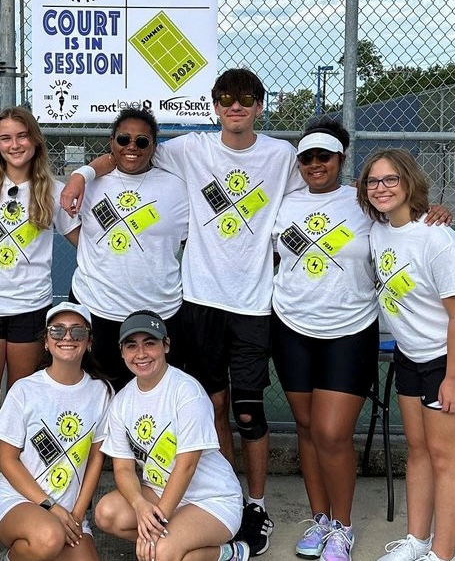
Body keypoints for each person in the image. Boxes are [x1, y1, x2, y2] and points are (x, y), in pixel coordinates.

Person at [62, 68, 303, 556]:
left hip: (253, 303)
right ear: (214, 105)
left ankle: (252, 504)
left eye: (246, 99)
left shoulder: (283, 156)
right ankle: (204, 499)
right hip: (200, 300)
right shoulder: (187, 150)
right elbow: (123, 153)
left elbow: (326, 188)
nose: (235, 107)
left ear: (260, 105)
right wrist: (83, 171)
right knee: (209, 408)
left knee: (249, 411)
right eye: (226, 99)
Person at [270, 119, 452, 561]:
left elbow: (405, 219)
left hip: (349, 329)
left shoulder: (364, 202)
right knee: (309, 429)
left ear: (340, 159)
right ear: (299, 163)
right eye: (307, 158)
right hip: (291, 325)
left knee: (333, 432)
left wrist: (435, 213)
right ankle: (321, 521)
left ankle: (343, 528)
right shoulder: (283, 202)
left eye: (324, 156)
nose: (316, 165)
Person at [356, 149, 455, 561]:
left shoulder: (438, 237)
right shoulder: (377, 228)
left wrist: (453, 378)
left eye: (391, 179)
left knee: (446, 458)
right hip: (410, 354)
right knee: (417, 450)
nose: (381, 188)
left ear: (410, 182)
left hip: (454, 354)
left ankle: (444, 554)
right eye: (373, 181)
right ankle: (417, 542)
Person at [0, 107, 81, 517]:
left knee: (21, 402)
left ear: (35, 141)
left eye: (21, 136)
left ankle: (18, 487)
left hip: (31, 309)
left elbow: (82, 239)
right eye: (5, 138)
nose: (14, 145)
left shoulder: (53, 188)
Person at [95, 310, 250, 561]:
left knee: (160, 550)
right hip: (157, 491)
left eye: (150, 343)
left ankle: (226, 551)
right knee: (106, 512)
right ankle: (187, 548)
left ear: (166, 345)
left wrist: (155, 523)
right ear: (122, 352)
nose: (141, 353)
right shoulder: (122, 401)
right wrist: (139, 505)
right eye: (131, 346)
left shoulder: (186, 392)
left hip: (211, 499)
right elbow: (123, 468)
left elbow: (187, 465)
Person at [69, 107, 189, 388]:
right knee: (98, 394)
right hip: (97, 309)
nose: (132, 147)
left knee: (156, 397)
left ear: (154, 147)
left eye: (142, 141)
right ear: (112, 142)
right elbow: (70, 228)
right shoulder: (89, 184)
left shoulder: (176, 187)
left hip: (160, 310)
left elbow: (188, 239)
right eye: (124, 139)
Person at [0, 301, 112, 561]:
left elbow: (95, 460)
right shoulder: (24, 389)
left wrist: (77, 514)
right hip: (18, 500)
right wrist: (49, 506)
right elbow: (7, 460)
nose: (67, 337)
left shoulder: (102, 392)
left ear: (88, 342)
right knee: (49, 538)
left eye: (77, 332)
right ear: (46, 341)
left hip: (68, 511)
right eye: (57, 331)